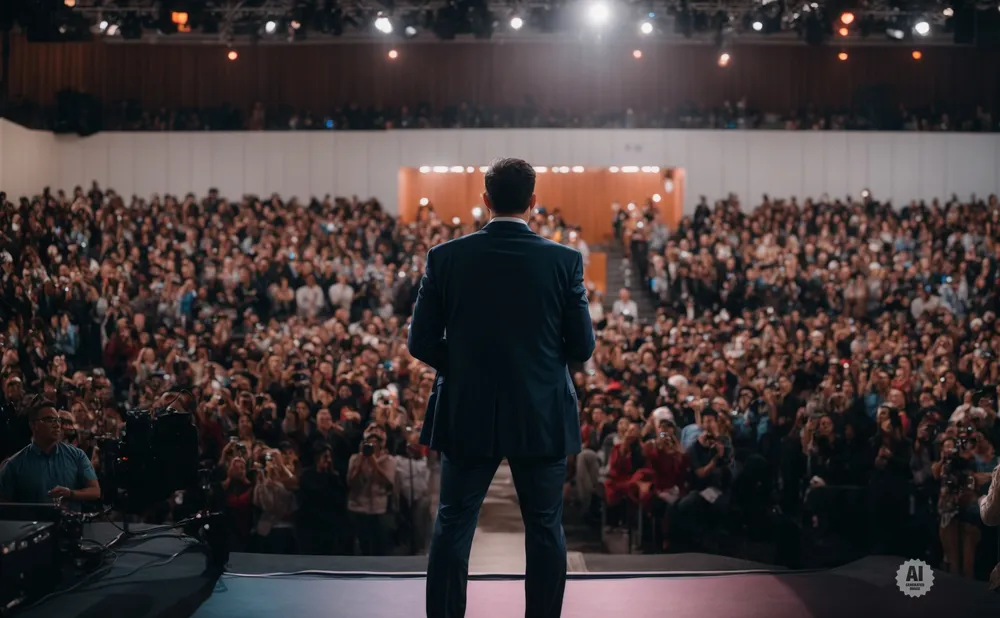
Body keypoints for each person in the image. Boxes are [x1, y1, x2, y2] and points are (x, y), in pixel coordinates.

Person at [409, 157, 595, 618]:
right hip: (541, 410)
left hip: (468, 407)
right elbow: (584, 346)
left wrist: (468, 368)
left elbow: (420, 341)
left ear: (485, 200)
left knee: (453, 525)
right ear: (533, 202)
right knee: (546, 528)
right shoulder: (565, 260)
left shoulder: (445, 257)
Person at [0, 401, 101, 508]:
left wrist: (70, 493)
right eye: (49, 420)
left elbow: (95, 491)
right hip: (33, 524)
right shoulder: (15, 464)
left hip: (70, 523)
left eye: (57, 420)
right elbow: (3, 501)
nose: (56, 425)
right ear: (33, 425)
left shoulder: (77, 455)